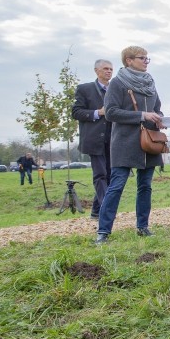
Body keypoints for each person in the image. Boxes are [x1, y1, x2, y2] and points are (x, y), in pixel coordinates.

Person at [95, 47, 165, 244]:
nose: (146, 61)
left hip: (148, 142)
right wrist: (141, 116)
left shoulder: (150, 83)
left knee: (145, 186)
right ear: (128, 60)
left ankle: (143, 227)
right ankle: (103, 231)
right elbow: (111, 112)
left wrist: (158, 118)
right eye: (142, 58)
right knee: (116, 186)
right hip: (125, 142)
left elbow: (156, 107)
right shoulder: (117, 83)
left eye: (147, 58)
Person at [72, 59, 114, 219]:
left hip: (112, 139)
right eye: (105, 68)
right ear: (96, 70)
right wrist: (97, 113)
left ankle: (96, 210)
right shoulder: (85, 89)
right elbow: (76, 112)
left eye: (110, 69)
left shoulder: (115, 89)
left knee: (110, 175)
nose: (108, 71)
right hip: (94, 139)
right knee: (100, 174)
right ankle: (106, 210)